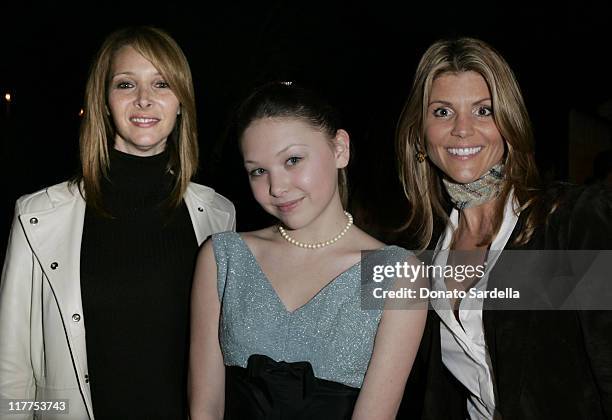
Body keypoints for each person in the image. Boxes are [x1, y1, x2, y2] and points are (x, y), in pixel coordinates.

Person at [0, 26, 235, 419]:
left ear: (182, 101)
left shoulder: (219, 215)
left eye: (162, 83)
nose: (144, 99)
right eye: (126, 84)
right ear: (104, 102)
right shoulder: (37, 217)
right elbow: (12, 372)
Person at [396, 37, 612, 419]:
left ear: (510, 123)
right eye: (443, 112)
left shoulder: (569, 223)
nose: (463, 130)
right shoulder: (420, 256)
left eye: (483, 111)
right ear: (420, 134)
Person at [188, 82, 426, 419]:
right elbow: (204, 410)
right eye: (258, 171)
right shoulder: (221, 257)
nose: (277, 187)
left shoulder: (396, 273)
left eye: (293, 160)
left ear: (340, 149)